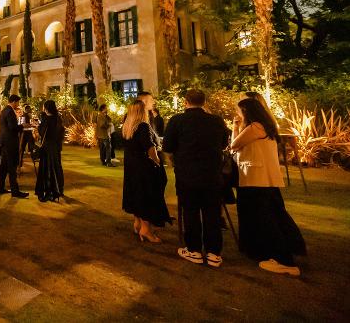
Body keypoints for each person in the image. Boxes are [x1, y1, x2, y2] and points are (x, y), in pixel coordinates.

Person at [231, 97, 306, 276]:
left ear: (246, 112)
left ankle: (284, 260)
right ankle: (284, 250)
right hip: (266, 179)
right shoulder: (266, 126)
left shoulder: (254, 127)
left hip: (256, 179)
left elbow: (234, 145)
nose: (237, 114)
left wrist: (235, 127)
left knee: (265, 219)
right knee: (274, 214)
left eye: (239, 111)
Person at [163, 89, 230, 267]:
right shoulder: (216, 121)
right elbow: (224, 143)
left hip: (188, 174)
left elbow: (167, 146)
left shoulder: (178, 120)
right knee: (212, 213)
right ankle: (214, 253)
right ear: (204, 102)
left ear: (186, 101)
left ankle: (194, 250)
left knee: (191, 211)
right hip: (212, 174)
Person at [121, 100, 171, 242]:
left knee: (136, 193)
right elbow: (149, 147)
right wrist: (157, 160)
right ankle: (146, 229)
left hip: (131, 166)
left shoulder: (127, 126)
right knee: (146, 195)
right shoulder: (142, 126)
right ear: (141, 112)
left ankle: (137, 223)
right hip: (143, 167)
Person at [0, 95, 29, 198]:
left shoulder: (5, 110)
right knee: (12, 167)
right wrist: (22, 126)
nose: (18, 105)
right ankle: (15, 191)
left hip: (4, 142)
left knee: (4, 167)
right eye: (18, 102)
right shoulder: (10, 111)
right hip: (10, 143)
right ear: (14, 102)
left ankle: (0, 188)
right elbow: (12, 127)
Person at [35, 100, 64, 202]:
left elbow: (42, 132)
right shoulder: (58, 118)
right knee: (57, 168)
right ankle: (59, 189)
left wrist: (39, 126)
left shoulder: (47, 119)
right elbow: (61, 133)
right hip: (56, 147)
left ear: (46, 108)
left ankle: (48, 191)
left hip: (47, 147)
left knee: (46, 169)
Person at [18, 105, 36, 169]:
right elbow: (24, 125)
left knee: (22, 149)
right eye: (29, 109)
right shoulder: (26, 116)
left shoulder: (25, 116)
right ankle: (34, 158)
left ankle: (19, 164)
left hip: (25, 133)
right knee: (29, 147)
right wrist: (31, 125)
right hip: (25, 134)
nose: (30, 110)